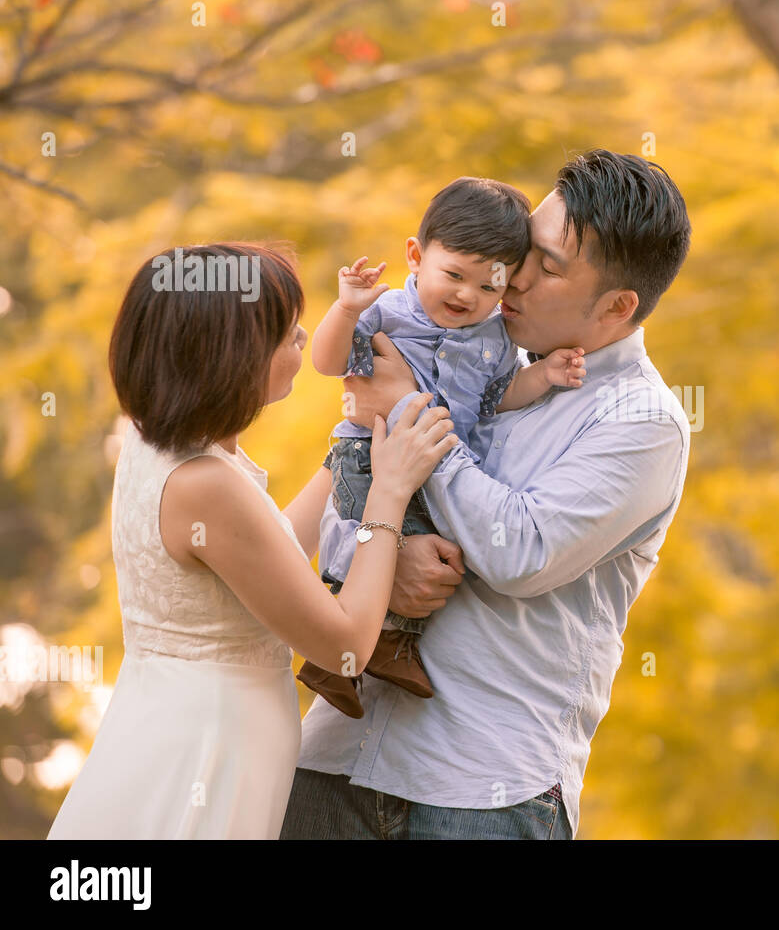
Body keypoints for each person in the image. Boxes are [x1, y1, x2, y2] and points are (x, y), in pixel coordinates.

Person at [280, 149, 692, 840]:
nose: (513, 275)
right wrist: (383, 553)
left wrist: (412, 409)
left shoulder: (641, 423)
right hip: (335, 757)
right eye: (523, 250)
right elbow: (319, 513)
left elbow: (521, 551)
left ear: (618, 306)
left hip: (481, 793)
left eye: (548, 266)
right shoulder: (454, 345)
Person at [47, 243, 455, 839]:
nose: (304, 338)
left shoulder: (162, 442)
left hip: (175, 728)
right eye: (288, 333)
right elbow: (345, 646)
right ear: (232, 357)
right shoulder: (204, 483)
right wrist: (389, 493)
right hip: (205, 755)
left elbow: (265, 560)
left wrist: (353, 450)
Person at [300, 177, 586, 717]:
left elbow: (497, 399)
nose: (465, 296)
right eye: (453, 275)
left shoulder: (496, 337)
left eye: (488, 288)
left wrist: (544, 374)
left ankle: (380, 648)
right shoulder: (388, 312)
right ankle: (339, 639)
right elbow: (328, 363)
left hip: (437, 465)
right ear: (416, 255)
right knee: (386, 543)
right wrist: (344, 311)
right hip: (371, 452)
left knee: (436, 550)